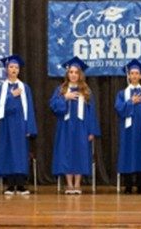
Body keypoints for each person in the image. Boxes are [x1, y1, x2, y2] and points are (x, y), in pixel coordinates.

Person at [50, 57, 101, 194]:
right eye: (71, 72)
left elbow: (92, 112)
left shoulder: (86, 91)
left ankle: (77, 183)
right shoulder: (61, 89)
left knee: (80, 153)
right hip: (65, 127)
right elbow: (54, 106)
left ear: (80, 75)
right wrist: (64, 98)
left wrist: (91, 131)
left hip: (81, 127)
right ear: (67, 74)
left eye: (76, 72)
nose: (73, 75)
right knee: (65, 152)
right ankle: (69, 184)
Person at [0, 54, 37, 195]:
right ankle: (10, 184)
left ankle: (21, 184)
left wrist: (29, 127)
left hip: (20, 124)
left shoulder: (25, 88)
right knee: (8, 152)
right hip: (7, 124)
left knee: (20, 153)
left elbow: (29, 108)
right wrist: (11, 96)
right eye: (11, 67)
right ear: (6, 69)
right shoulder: (1, 88)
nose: (14, 69)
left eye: (16, 67)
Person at [114, 59, 141, 194]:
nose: (134, 76)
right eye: (131, 73)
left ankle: (140, 185)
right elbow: (119, 109)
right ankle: (127, 185)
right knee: (128, 155)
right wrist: (130, 102)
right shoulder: (122, 94)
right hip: (128, 129)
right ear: (128, 76)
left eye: (136, 73)